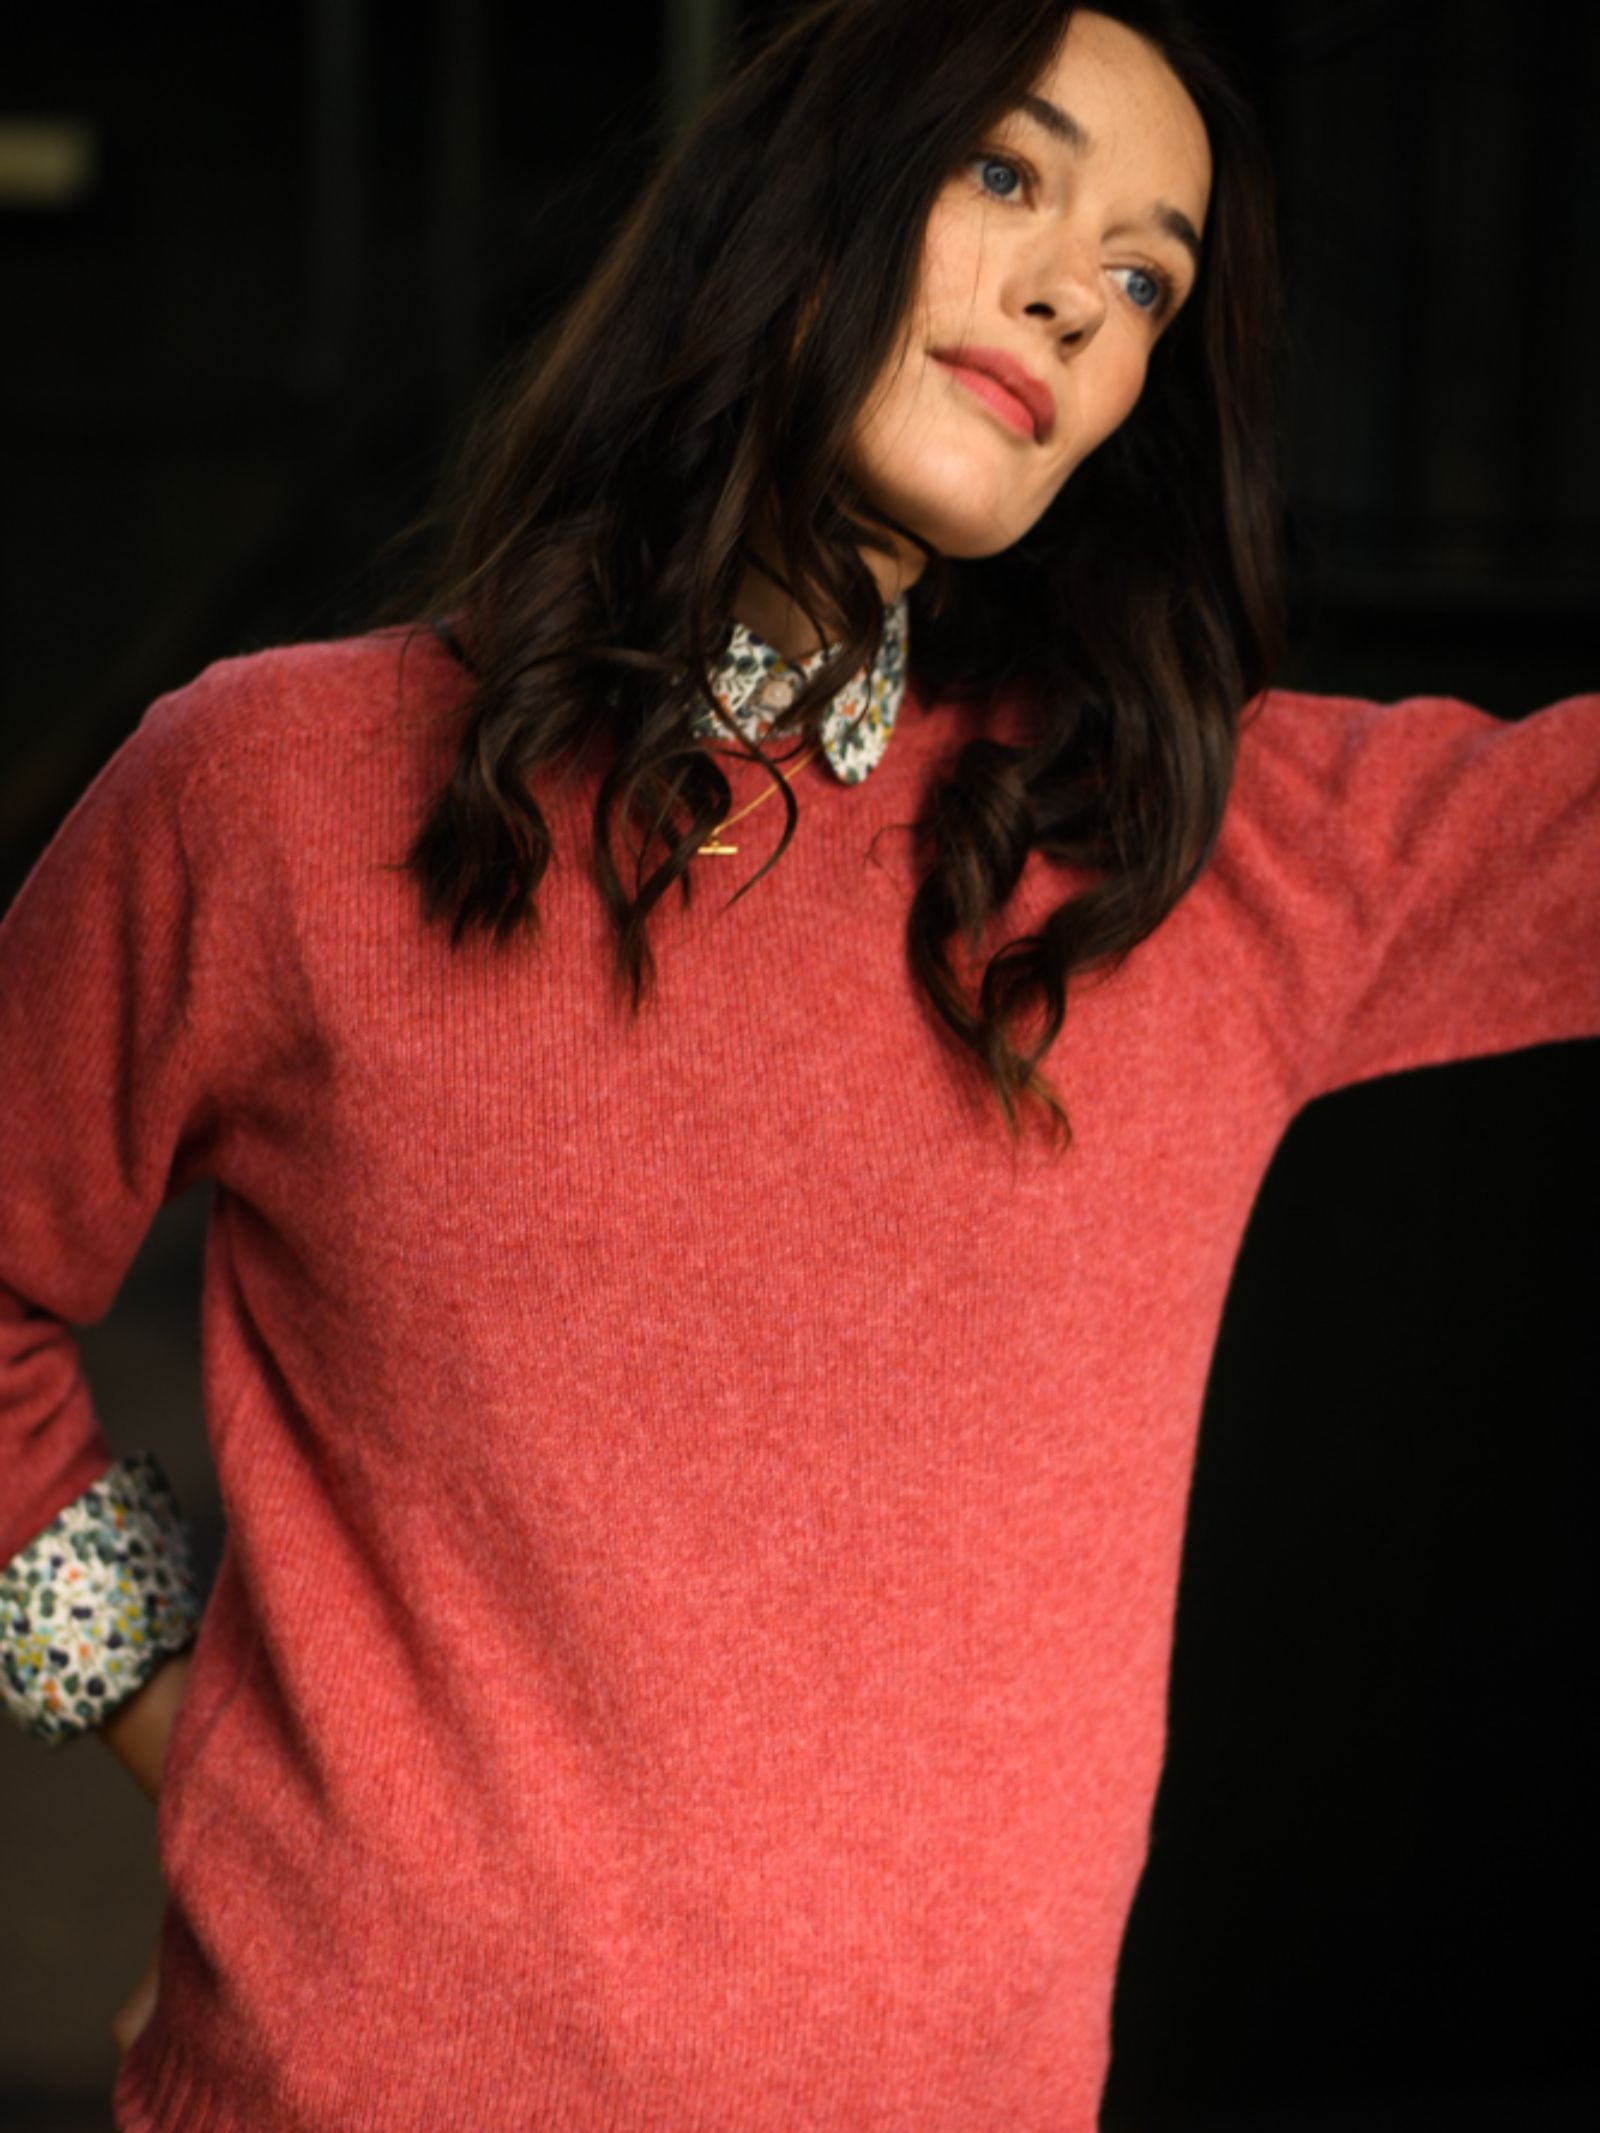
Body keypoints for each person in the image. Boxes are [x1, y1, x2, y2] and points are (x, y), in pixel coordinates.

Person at [0, 3, 1593, 2128]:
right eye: (1009, 176)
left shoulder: (1198, 859)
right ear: (808, 193)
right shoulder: (269, 790)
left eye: (1144, 279)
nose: (1070, 289)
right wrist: (207, 1735)